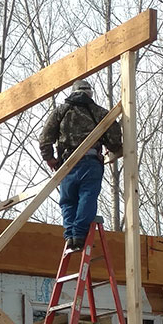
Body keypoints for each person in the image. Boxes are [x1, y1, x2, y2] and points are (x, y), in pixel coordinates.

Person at [38, 79, 122, 250]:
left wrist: (50, 158)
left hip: (68, 164)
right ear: (89, 94)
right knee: (87, 197)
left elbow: (45, 137)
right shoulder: (99, 112)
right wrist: (113, 148)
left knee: (68, 201)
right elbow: (114, 137)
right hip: (90, 163)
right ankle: (79, 234)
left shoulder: (60, 111)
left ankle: (70, 236)